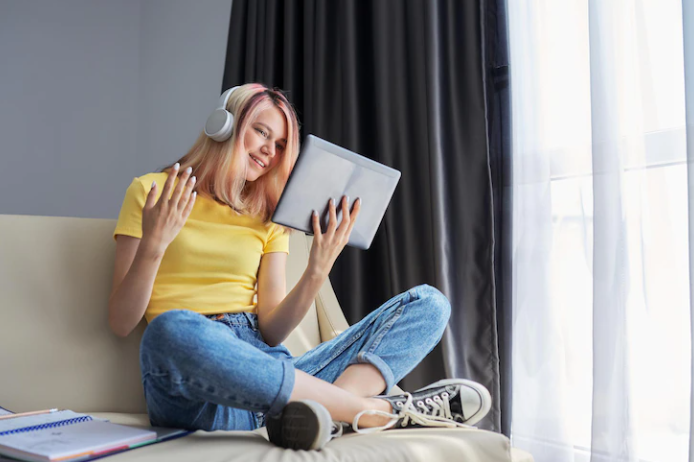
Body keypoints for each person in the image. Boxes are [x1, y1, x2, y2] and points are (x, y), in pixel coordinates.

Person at [109, 83, 492, 451]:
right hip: (202, 388)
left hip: (268, 369)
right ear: (223, 125)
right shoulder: (151, 192)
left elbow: (272, 333)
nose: (268, 152)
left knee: (429, 304)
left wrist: (317, 270)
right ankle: (371, 411)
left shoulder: (267, 217)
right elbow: (122, 321)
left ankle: (316, 412)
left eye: (279, 145)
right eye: (261, 132)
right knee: (169, 330)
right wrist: (154, 245)